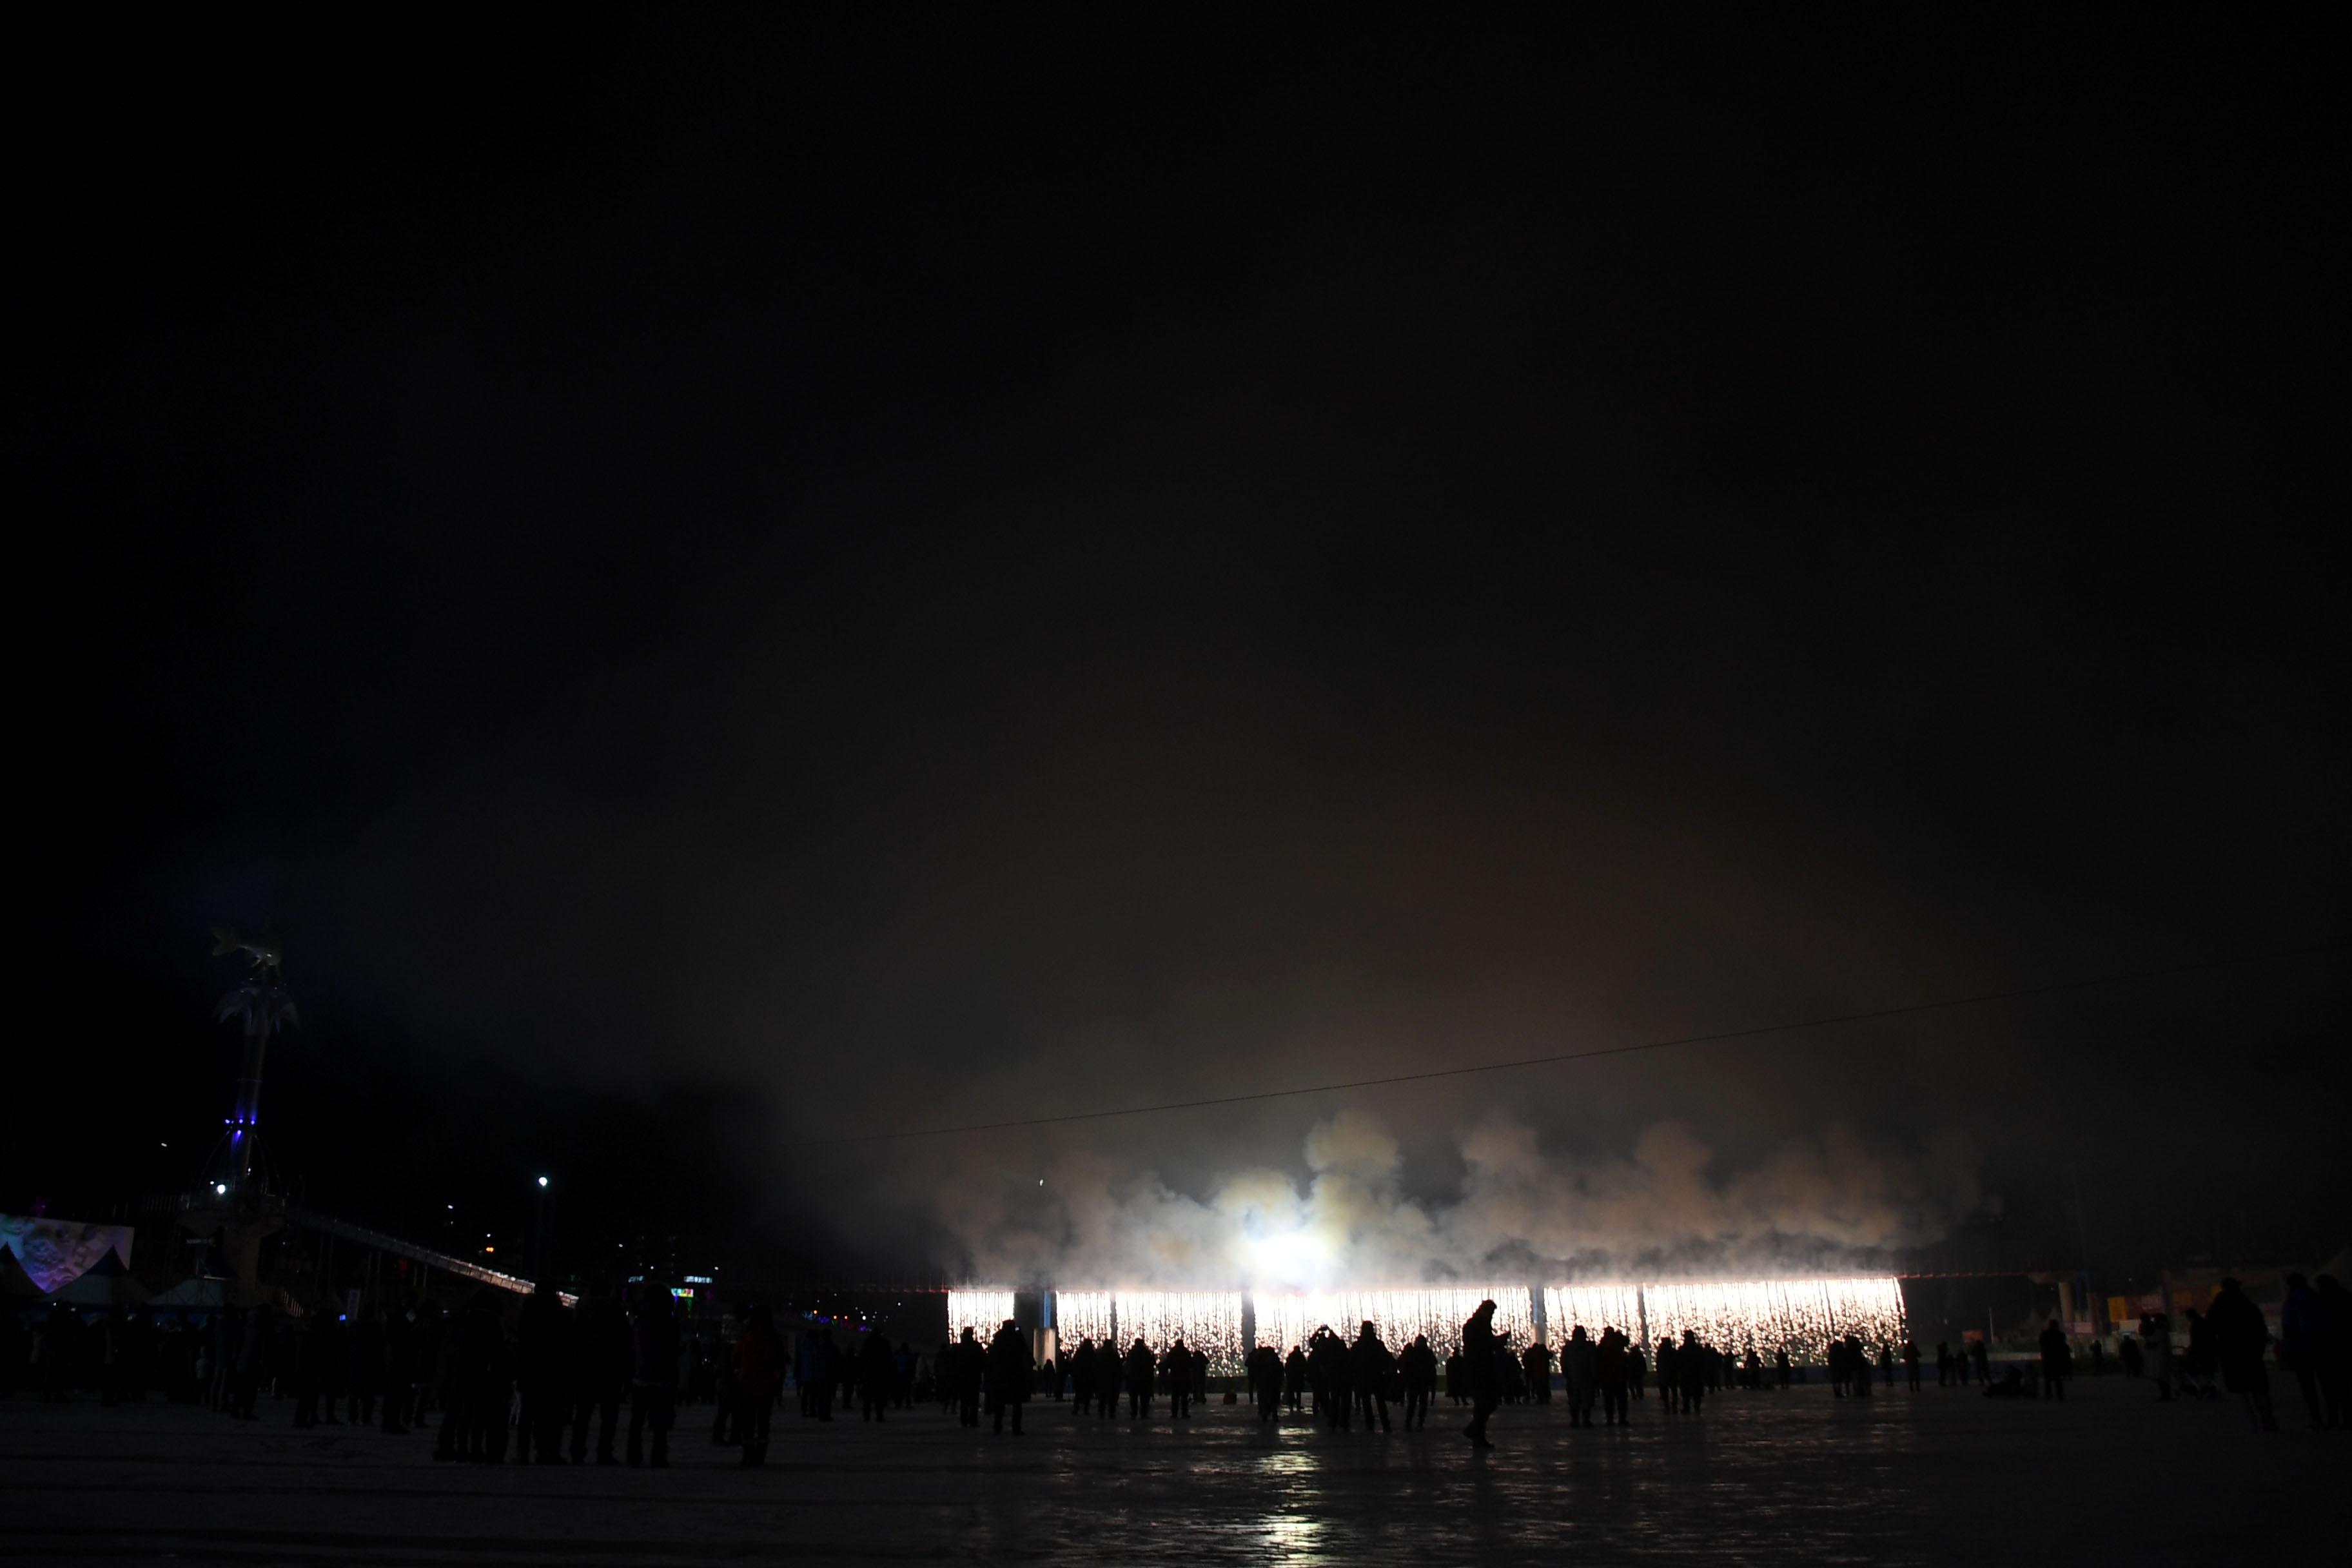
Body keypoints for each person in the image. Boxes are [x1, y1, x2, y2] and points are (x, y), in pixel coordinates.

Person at [2206, 1277, 2278, 1431]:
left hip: (2230, 1354)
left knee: (2240, 1391)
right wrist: (2259, 1348)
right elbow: (2261, 1329)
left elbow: (2210, 1331)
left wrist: (2218, 1350)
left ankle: (2252, 1423)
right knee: (2260, 1389)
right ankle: (2268, 1421)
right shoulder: (2248, 1306)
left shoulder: (2218, 1308)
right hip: (2251, 1352)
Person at [514, 1282, 571, 1464]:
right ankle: (548, 1451)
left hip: (530, 1369)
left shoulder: (526, 1314)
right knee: (551, 1415)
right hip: (554, 1371)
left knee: (527, 1413)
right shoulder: (561, 1315)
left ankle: (522, 1451)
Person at [626, 1286, 680, 1467]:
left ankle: (633, 1455)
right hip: (663, 1379)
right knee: (660, 1423)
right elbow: (673, 1352)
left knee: (637, 1421)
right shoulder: (670, 1324)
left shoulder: (639, 1323)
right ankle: (658, 1455)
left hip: (641, 1377)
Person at [735, 1304, 782, 1465]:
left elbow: (735, 1357)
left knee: (747, 1422)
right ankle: (760, 1455)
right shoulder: (772, 1336)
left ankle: (747, 1454)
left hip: (747, 1382)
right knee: (763, 1422)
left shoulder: (747, 1335)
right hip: (766, 1384)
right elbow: (776, 1360)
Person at [2282, 1273, 2325, 1428]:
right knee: (2327, 1383)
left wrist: (2289, 1351)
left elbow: (2289, 1328)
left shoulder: (2291, 1302)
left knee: (2308, 1386)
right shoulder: (2318, 1299)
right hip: (2322, 1345)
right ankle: (2336, 1416)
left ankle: (2316, 1418)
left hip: (2301, 1348)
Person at [1462, 1299, 1501, 1449]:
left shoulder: (1475, 1325)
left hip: (1478, 1369)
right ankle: (1474, 1432)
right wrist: (1496, 1343)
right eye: (1491, 1312)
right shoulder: (1477, 1326)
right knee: (1487, 1403)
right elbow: (1481, 1346)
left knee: (1482, 1405)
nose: (1492, 1316)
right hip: (1480, 1370)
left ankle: (1478, 1436)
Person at [986, 1318, 1032, 1435]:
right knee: (1017, 1404)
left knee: (1000, 1403)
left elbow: (994, 1355)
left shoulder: (999, 1337)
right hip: (1015, 1374)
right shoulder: (1017, 1338)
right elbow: (1025, 1351)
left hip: (1001, 1374)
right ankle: (1016, 1428)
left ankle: (998, 1426)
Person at [1349, 1321, 1395, 1433]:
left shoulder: (1358, 1345)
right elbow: (1387, 1359)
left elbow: (1351, 1361)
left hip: (1363, 1378)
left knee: (1366, 1403)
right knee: (1381, 1402)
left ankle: (1370, 1425)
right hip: (1377, 1377)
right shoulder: (1378, 1344)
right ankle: (1386, 1425)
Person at [1561, 1325, 1597, 1427]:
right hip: (1587, 1378)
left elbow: (1564, 1362)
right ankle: (1586, 1420)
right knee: (1586, 1400)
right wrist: (1594, 1375)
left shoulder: (1568, 1348)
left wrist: (1567, 1373)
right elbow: (1594, 1362)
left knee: (1574, 1400)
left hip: (1573, 1378)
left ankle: (1575, 1420)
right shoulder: (1590, 1348)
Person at [1400, 1333, 1437, 1431]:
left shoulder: (1412, 1353)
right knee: (1423, 1404)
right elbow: (1433, 1364)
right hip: (1423, 1382)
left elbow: (1406, 1366)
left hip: (1413, 1382)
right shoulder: (1428, 1353)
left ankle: (1408, 1423)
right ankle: (1420, 1423)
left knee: (1412, 1404)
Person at [1596, 1326, 1630, 1426]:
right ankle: (1622, 1419)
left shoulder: (1602, 1345)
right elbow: (1626, 1342)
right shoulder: (1618, 1343)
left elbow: (1598, 1360)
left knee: (1609, 1400)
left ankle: (1610, 1419)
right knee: (1621, 1400)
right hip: (1619, 1376)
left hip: (1607, 1377)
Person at [861, 1331, 895, 1422]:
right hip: (880, 1372)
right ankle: (879, 1415)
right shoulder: (883, 1343)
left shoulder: (867, 1343)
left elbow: (862, 1357)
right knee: (879, 1396)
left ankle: (866, 1415)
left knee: (868, 1396)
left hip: (869, 1372)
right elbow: (889, 1357)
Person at [1247, 1342, 1284, 1421]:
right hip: (1273, 1383)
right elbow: (1280, 1372)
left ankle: (1265, 1414)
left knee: (1264, 1399)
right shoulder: (1276, 1362)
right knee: (1273, 1400)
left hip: (1264, 1383)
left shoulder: (1259, 1361)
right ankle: (1273, 1415)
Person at [2038, 1320, 2073, 1402]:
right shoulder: (2061, 1335)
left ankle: (2048, 1394)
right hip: (2057, 1359)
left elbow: (2041, 1344)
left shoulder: (2045, 1334)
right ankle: (2059, 1394)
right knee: (2058, 1379)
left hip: (2048, 1360)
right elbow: (2063, 1346)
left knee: (2048, 1379)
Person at [1161, 1335, 1192, 1420]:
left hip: (1174, 1377)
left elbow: (1167, 1364)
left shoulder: (1172, 1352)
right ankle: (1184, 1413)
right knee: (1184, 1397)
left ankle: (1174, 1413)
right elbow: (1190, 1364)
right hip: (1184, 1377)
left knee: (1175, 1397)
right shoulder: (1186, 1352)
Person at [1283, 1343, 1308, 1413]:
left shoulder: (1291, 1357)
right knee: (1297, 1392)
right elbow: (1304, 1366)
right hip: (1298, 1377)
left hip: (1293, 1377)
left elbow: (1287, 1367)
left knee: (1292, 1391)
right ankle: (1297, 1404)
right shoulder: (1301, 1357)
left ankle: (1292, 1404)